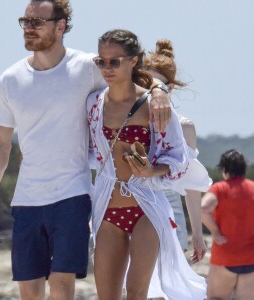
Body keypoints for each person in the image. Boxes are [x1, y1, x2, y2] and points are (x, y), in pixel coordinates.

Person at [0, 1, 171, 299]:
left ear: (60, 25)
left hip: (73, 195)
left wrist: (160, 92)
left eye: (36, 22)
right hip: (26, 198)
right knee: (28, 290)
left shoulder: (87, 67)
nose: (28, 28)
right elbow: (0, 144)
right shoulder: (10, 79)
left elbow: (139, 73)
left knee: (61, 283)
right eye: (25, 21)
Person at [87, 29, 206, 300]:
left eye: (114, 61)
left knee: (138, 292)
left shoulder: (154, 106)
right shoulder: (93, 103)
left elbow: (179, 158)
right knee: (106, 294)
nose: (106, 68)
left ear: (133, 61)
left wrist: (153, 170)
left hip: (147, 207)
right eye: (100, 61)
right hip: (106, 207)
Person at [143, 39, 211, 262]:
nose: (151, 89)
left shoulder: (184, 126)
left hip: (170, 205)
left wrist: (198, 236)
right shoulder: (129, 121)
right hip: (133, 202)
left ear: (169, 88)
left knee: (168, 288)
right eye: (146, 82)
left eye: (158, 83)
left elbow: (191, 184)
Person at [201, 149, 254, 300]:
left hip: (226, 255)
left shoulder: (220, 188)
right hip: (251, 257)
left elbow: (203, 208)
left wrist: (215, 232)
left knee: (216, 298)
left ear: (224, 169)